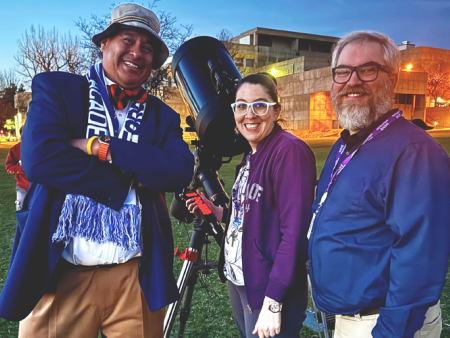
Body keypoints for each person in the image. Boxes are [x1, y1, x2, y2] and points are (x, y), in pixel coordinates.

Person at [0, 4, 194, 338]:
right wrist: (131, 177)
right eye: (128, 40)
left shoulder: (163, 116)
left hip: (135, 278)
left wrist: (99, 147)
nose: (137, 53)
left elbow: (177, 171)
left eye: (147, 48)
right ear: (104, 43)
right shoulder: (58, 89)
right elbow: (41, 159)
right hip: (62, 273)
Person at [308, 31, 450, 338]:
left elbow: (419, 258)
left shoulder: (415, 153)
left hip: (382, 324)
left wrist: (389, 331)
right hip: (347, 319)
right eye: (342, 71)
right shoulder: (347, 143)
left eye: (367, 70)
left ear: (392, 78)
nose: (352, 81)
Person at [185, 73, 316, 338]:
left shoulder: (289, 152)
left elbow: (295, 234)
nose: (250, 114)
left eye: (260, 105)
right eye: (241, 105)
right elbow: (248, 215)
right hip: (242, 280)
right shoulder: (251, 154)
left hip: (269, 288)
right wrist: (216, 212)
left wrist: (273, 300)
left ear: (276, 110)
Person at [5, 128, 30, 211]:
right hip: (23, 187)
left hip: (39, 186)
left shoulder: (41, 147)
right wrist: (24, 169)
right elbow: (8, 167)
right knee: (22, 212)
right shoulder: (15, 149)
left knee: (39, 214)